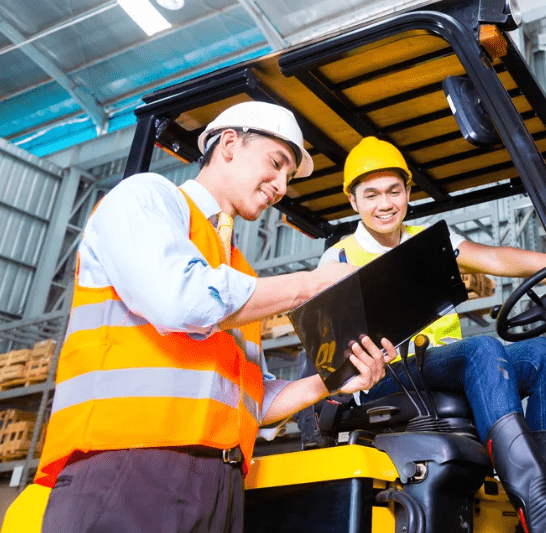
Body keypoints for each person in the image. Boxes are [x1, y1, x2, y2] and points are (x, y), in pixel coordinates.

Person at [36, 102, 397, 533]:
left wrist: (335, 380)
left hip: (220, 481)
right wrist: (310, 284)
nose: (281, 186)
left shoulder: (240, 274)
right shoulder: (146, 198)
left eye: (288, 177)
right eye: (276, 163)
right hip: (130, 470)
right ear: (228, 143)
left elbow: (252, 399)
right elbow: (179, 302)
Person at [318, 137, 546, 533]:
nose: (385, 203)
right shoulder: (339, 258)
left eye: (393, 191)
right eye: (371, 195)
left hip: (443, 364)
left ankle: (543, 509)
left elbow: (493, 257)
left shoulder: (428, 240)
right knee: (483, 349)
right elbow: (329, 346)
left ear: (408, 192)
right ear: (354, 202)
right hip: (383, 376)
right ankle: (538, 503)